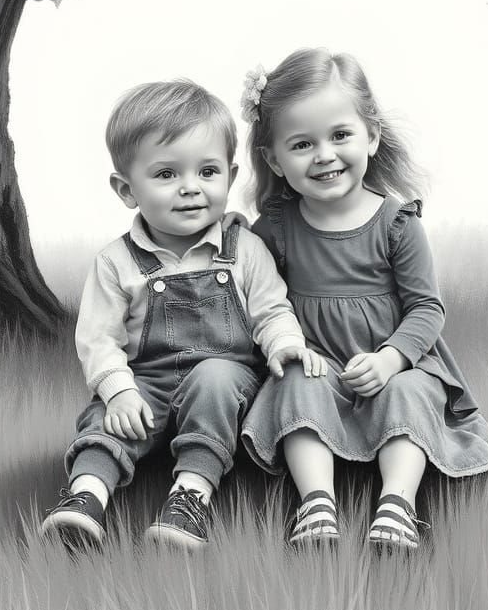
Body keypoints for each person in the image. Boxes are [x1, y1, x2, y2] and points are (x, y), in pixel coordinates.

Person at [40, 79, 325, 552]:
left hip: (224, 381)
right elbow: (98, 340)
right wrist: (118, 391)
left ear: (230, 177)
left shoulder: (243, 250)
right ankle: (85, 499)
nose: (191, 188)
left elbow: (271, 309)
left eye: (207, 171)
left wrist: (284, 344)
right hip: (146, 381)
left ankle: (189, 497)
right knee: (104, 421)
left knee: (213, 380)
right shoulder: (116, 262)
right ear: (126, 189)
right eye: (167, 174)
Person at [239, 49, 488, 551]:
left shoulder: (397, 223)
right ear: (274, 159)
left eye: (340, 135)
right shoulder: (275, 227)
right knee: (294, 384)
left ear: (372, 136)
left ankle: (396, 505)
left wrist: (391, 359)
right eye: (301, 143)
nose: (324, 154)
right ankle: (316, 502)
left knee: (409, 394)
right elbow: (251, 291)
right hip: (320, 365)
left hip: (392, 363)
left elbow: (427, 308)